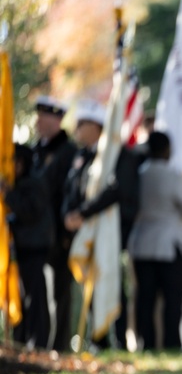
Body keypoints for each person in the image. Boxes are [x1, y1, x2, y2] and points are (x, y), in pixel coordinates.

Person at [62, 98, 142, 349]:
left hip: (113, 234)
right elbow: (71, 190)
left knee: (111, 284)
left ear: (96, 126)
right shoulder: (82, 156)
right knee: (90, 286)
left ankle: (117, 339)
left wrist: (83, 213)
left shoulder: (120, 156)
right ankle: (95, 340)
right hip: (84, 233)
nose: (77, 128)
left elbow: (118, 190)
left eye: (82, 123)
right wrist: (70, 215)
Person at [127, 131, 182, 350]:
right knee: (172, 300)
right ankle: (171, 344)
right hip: (169, 247)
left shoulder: (138, 174)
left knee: (146, 301)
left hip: (141, 244)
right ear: (167, 149)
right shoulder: (174, 176)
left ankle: (146, 344)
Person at [31, 95, 77, 351]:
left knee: (61, 293)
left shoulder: (68, 152)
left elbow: (66, 194)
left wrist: (64, 234)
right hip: (33, 235)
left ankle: (59, 345)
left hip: (58, 234)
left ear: (56, 119)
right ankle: (38, 341)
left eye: (43, 116)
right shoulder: (35, 150)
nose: (38, 121)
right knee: (37, 293)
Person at [2, 144, 53, 350]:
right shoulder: (24, 183)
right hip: (23, 251)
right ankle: (21, 340)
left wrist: (8, 195)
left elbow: (30, 212)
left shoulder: (33, 183)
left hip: (35, 250)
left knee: (35, 300)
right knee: (23, 299)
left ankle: (38, 343)